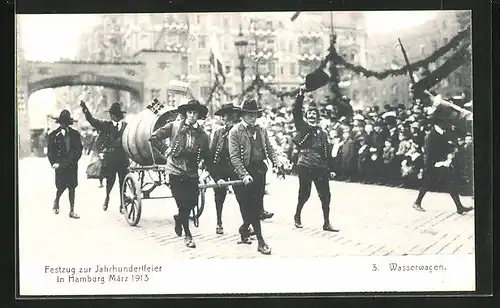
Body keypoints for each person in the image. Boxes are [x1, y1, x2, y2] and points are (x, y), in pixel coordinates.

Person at [149, 99, 214, 249]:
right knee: (181, 201)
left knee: (191, 202)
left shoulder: (203, 135)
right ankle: (187, 234)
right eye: (189, 112)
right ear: (185, 113)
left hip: (192, 173)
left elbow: (207, 157)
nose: (191, 115)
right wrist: (166, 150)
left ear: (198, 115)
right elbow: (154, 137)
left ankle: (179, 218)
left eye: (195, 113)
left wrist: (209, 174)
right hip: (175, 171)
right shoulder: (174, 126)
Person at [228, 99, 284, 255]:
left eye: (254, 115)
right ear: (242, 116)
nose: (252, 118)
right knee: (250, 207)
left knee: (256, 207)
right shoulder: (235, 132)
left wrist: (277, 163)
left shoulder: (261, 130)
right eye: (249, 115)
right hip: (242, 173)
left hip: (259, 171)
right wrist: (244, 174)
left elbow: (270, 149)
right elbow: (234, 157)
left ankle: (244, 227)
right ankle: (261, 241)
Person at [292, 87, 338, 232]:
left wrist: (331, 168)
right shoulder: (303, 127)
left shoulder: (322, 132)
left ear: (317, 117)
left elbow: (327, 152)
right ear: (306, 116)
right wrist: (300, 96)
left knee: (326, 195)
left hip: (320, 167)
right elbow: (296, 113)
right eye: (309, 114)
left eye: (314, 114)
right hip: (305, 165)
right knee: (304, 194)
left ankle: (326, 222)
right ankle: (297, 215)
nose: (312, 116)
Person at [80, 101, 129, 212]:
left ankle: (122, 203)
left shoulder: (126, 126)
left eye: (112, 114)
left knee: (123, 181)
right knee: (110, 180)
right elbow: (92, 121)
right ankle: (107, 197)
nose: (111, 116)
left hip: (123, 157)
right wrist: (85, 110)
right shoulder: (106, 125)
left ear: (116, 115)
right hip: (110, 157)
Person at [209, 103, 241, 235]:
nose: (225, 118)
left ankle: (246, 223)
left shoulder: (239, 132)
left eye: (227, 116)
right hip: (221, 166)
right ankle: (219, 222)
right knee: (219, 196)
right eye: (223, 116)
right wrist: (213, 173)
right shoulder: (218, 133)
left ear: (234, 116)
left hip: (235, 167)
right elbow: (211, 153)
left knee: (242, 196)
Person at [47, 110, 83, 219]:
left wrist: (74, 160)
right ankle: (57, 200)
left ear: (69, 123)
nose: (64, 125)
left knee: (72, 187)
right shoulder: (53, 135)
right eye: (62, 123)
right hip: (60, 165)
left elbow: (79, 149)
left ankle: (72, 211)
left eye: (66, 123)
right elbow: (50, 151)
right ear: (59, 123)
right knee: (61, 186)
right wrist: (53, 163)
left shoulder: (75, 134)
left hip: (72, 165)